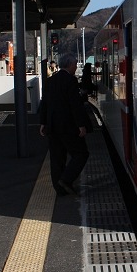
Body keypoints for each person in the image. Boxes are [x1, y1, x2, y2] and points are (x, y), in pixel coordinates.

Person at [39, 53, 90, 196]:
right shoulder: (70, 81)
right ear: (69, 65)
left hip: (52, 126)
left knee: (57, 158)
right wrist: (81, 125)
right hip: (68, 126)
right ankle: (66, 180)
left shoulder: (50, 80)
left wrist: (43, 122)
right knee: (81, 154)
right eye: (74, 64)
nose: (75, 67)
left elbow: (45, 103)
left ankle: (60, 189)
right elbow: (75, 105)